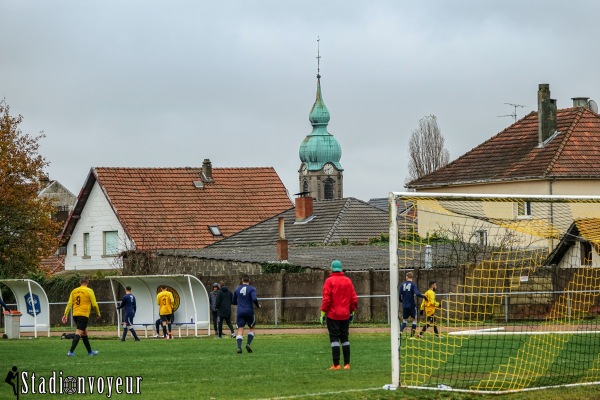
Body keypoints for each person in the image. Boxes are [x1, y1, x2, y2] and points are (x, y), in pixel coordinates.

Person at [320, 260, 358, 370]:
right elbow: (354, 298)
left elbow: (326, 299)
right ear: (341, 269)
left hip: (333, 315)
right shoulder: (348, 281)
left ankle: (336, 364)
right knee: (345, 338)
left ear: (331, 268)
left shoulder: (329, 281)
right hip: (345, 314)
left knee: (334, 339)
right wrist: (352, 311)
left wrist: (323, 312)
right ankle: (347, 364)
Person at [61, 276, 101, 356]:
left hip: (75, 315)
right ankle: (71, 352)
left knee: (85, 333)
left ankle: (90, 352)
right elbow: (94, 304)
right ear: (88, 282)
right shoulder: (89, 291)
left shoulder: (74, 291)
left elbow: (69, 304)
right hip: (83, 315)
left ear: (80, 282)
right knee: (79, 332)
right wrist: (98, 313)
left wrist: (65, 314)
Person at [233, 275, 261, 353]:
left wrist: (240, 302)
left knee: (240, 329)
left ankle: (239, 347)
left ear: (242, 280)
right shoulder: (252, 289)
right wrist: (258, 305)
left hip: (240, 311)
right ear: (249, 280)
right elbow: (254, 299)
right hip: (249, 311)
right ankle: (248, 344)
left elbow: (233, 301)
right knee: (252, 327)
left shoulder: (237, 289)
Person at [399, 271, 426, 338]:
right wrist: (424, 297)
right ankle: (411, 336)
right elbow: (417, 293)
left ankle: (400, 331)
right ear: (411, 277)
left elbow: (400, 295)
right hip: (411, 305)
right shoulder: (413, 284)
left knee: (404, 320)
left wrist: (401, 301)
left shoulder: (402, 285)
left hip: (405, 305)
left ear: (407, 277)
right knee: (414, 320)